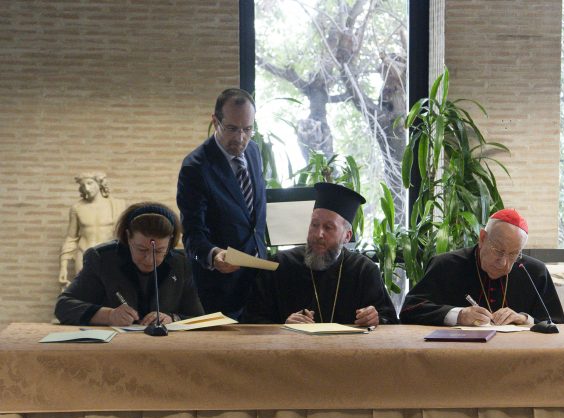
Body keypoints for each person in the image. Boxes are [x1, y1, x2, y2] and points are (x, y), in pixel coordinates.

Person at [242, 183, 397, 326]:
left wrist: (376, 318)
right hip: (292, 347)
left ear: (347, 236)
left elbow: (389, 320)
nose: (318, 234)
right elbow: (252, 319)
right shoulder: (280, 265)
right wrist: (284, 326)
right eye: (314, 225)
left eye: (328, 227)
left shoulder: (364, 270)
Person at [177, 88, 267, 318]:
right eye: (232, 129)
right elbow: (192, 234)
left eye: (247, 129)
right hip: (220, 288)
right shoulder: (195, 167)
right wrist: (213, 254)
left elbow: (253, 216)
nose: (240, 138)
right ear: (215, 121)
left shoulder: (254, 152)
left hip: (258, 284)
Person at [399, 209, 564, 326]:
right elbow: (409, 310)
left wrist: (525, 319)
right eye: (498, 250)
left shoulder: (534, 272)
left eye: (513, 254)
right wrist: (459, 315)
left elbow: (557, 324)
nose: (503, 263)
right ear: (482, 238)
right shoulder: (446, 265)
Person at [55, 202, 204, 326]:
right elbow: (63, 306)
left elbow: (199, 317)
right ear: (128, 237)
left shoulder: (182, 263)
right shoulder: (102, 259)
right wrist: (108, 315)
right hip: (114, 347)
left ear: (170, 241)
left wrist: (173, 318)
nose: (149, 260)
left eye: (159, 251)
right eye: (141, 249)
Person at [59, 172, 126, 287]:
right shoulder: (77, 208)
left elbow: (125, 235)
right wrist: (63, 266)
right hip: (84, 254)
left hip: (109, 254)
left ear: (99, 184)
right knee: (85, 292)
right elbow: (71, 238)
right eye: (83, 185)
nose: (86, 188)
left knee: (110, 292)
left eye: (90, 183)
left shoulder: (117, 205)